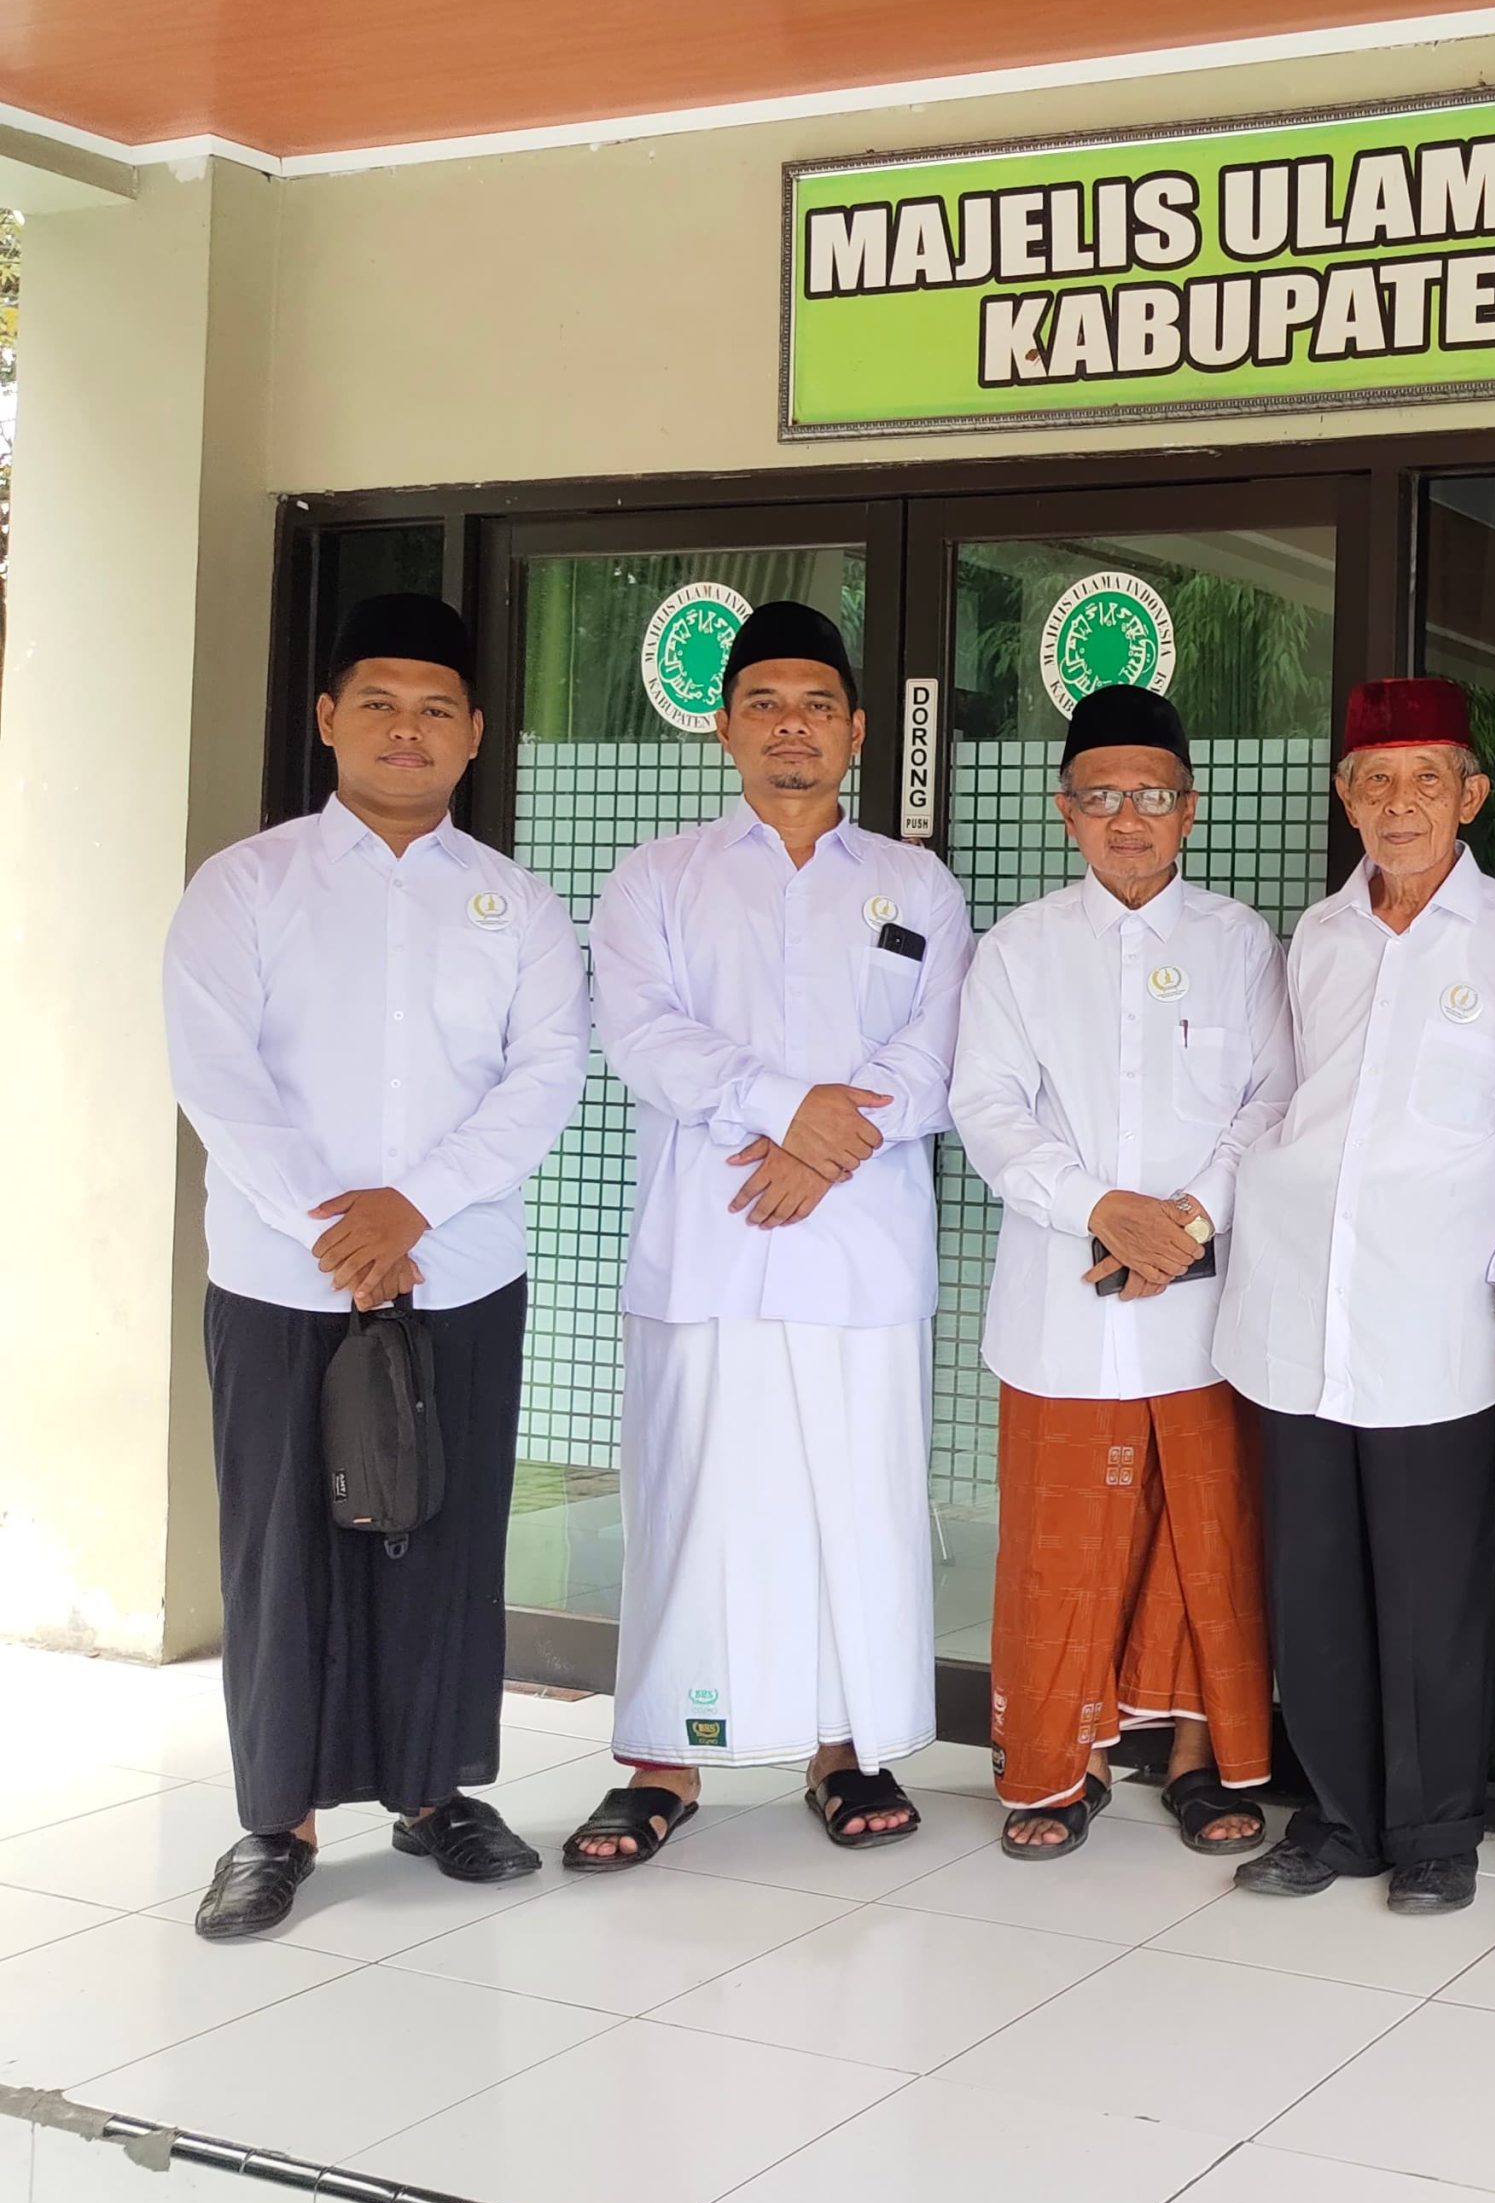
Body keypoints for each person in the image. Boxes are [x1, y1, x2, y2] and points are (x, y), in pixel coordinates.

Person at [164, 593, 590, 1940]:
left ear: (475, 733)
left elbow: (544, 1078)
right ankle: (274, 1822)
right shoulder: (247, 885)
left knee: (444, 1538)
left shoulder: (515, 904)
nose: (408, 730)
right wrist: (333, 1226)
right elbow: (216, 1074)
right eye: (380, 704)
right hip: (281, 1281)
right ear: (328, 717)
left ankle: (434, 1793)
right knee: (281, 1544)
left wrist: (414, 1210)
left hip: (457, 1272)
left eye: (435, 708)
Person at [569, 601, 973, 1867]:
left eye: (814, 705)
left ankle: (845, 1750)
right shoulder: (658, 877)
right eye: (764, 704)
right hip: (712, 1240)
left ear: (857, 731)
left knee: (854, 1506)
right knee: (695, 1502)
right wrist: (785, 1110)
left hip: (858, 1250)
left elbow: (939, 1047)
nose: (790, 726)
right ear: (725, 726)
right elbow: (643, 1034)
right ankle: (663, 1757)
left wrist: (822, 1145)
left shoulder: (915, 883)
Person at [1217, 679, 1495, 1912]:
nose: (1399, 803)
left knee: (1433, 1588)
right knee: (1313, 1580)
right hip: (1301, 1296)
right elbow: (1282, 1099)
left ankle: (1435, 1832)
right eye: (1376, 780)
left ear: (1471, 794)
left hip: (1438, 1308)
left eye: (1426, 779)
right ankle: (1338, 1817)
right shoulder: (1317, 936)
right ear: (1345, 796)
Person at [951, 686, 1292, 1860]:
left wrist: (1187, 1220)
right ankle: (1065, 1762)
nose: (1128, 818)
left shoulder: (1240, 942)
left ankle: (1200, 1758)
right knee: (1063, 1547)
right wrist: (1102, 1209)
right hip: (1064, 1299)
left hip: (1202, 1302)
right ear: (1067, 811)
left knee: (1206, 1537)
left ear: (1189, 809)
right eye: (1102, 797)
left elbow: (1275, 1099)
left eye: (1152, 795)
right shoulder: (1019, 948)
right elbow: (987, 1108)